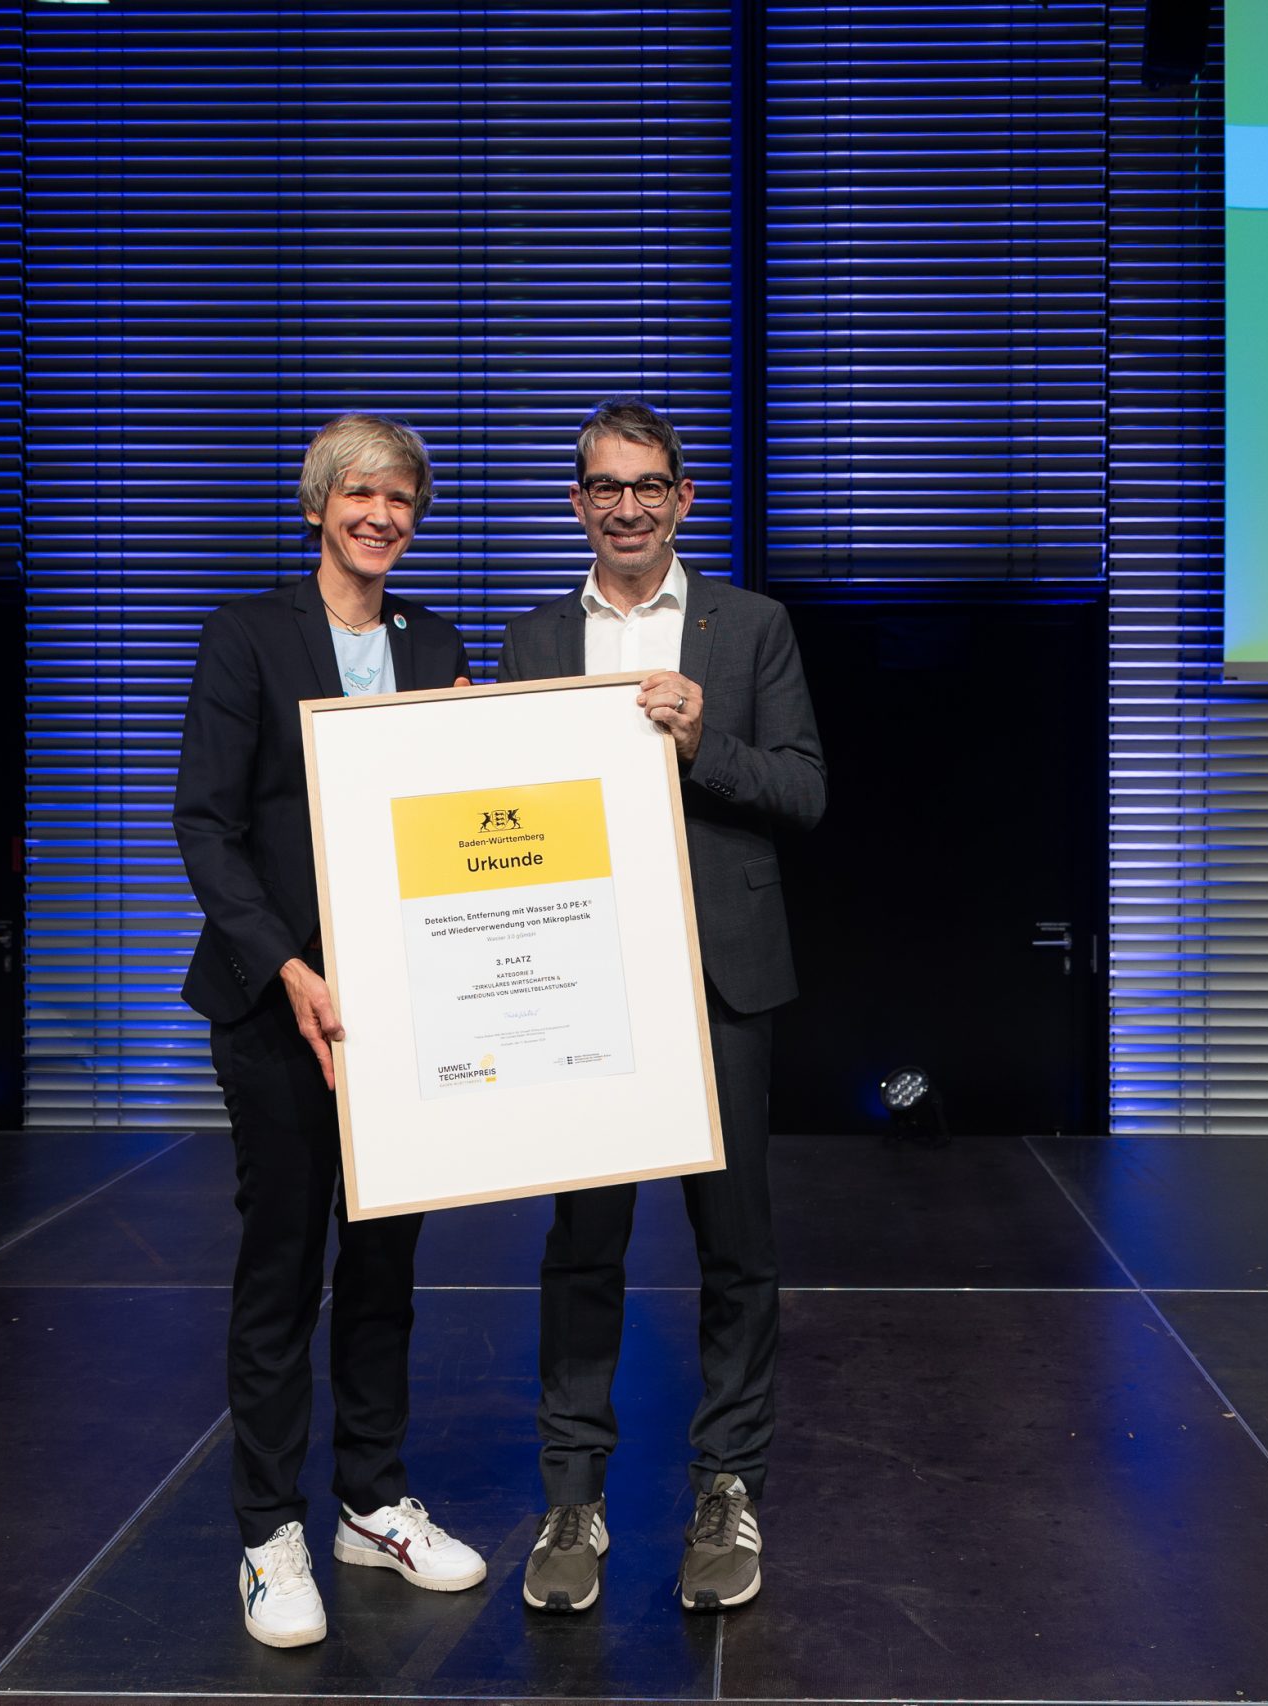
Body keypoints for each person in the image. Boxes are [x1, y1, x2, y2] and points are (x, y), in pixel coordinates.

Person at [497, 398, 826, 1615]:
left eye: (649, 485)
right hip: (583, 981)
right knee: (582, 1244)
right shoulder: (535, 638)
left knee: (735, 1247)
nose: (626, 506)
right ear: (577, 501)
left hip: (719, 979)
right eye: (604, 486)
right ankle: (571, 1497)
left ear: (684, 497)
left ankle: (727, 1483)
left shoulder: (752, 626)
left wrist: (701, 743)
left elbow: (803, 789)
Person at [175, 414, 486, 1648]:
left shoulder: (436, 644)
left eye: (401, 498)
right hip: (278, 1007)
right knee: (282, 1266)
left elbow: (451, 824)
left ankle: (370, 1500)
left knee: (384, 1266)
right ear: (317, 505)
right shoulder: (247, 634)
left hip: (399, 1009)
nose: (381, 515)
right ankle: (269, 1530)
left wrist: (482, 746)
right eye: (359, 493)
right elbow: (206, 824)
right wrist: (291, 967)